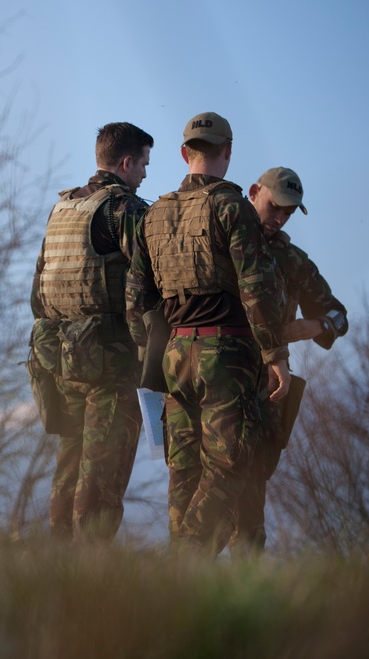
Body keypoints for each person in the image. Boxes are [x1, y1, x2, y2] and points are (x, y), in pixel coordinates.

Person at [125, 112, 290, 555]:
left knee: (184, 470)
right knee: (233, 461)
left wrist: (156, 353)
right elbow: (256, 287)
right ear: (228, 152)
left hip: (174, 355)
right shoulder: (232, 207)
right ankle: (188, 555)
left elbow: (136, 301)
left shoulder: (154, 213)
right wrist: (276, 357)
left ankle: (185, 584)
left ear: (184, 153)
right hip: (227, 353)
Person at [30, 122, 153, 541]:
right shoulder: (126, 209)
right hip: (111, 362)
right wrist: (149, 353)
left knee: (70, 461)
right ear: (126, 162)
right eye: (143, 165)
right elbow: (145, 287)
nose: (144, 175)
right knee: (103, 470)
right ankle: (90, 571)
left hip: (62, 356)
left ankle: (59, 558)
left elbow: (39, 286)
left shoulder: (62, 209)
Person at [230, 167, 349, 554]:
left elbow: (339, 315)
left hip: (264, 392)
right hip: (213, 380)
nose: (279, 218)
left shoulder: (291, 260)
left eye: (288, 213)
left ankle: (243, 596)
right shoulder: (221, 238)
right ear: (253, 192)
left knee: (250, 508)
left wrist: (316, 324)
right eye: (274, 207)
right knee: (202, 504)